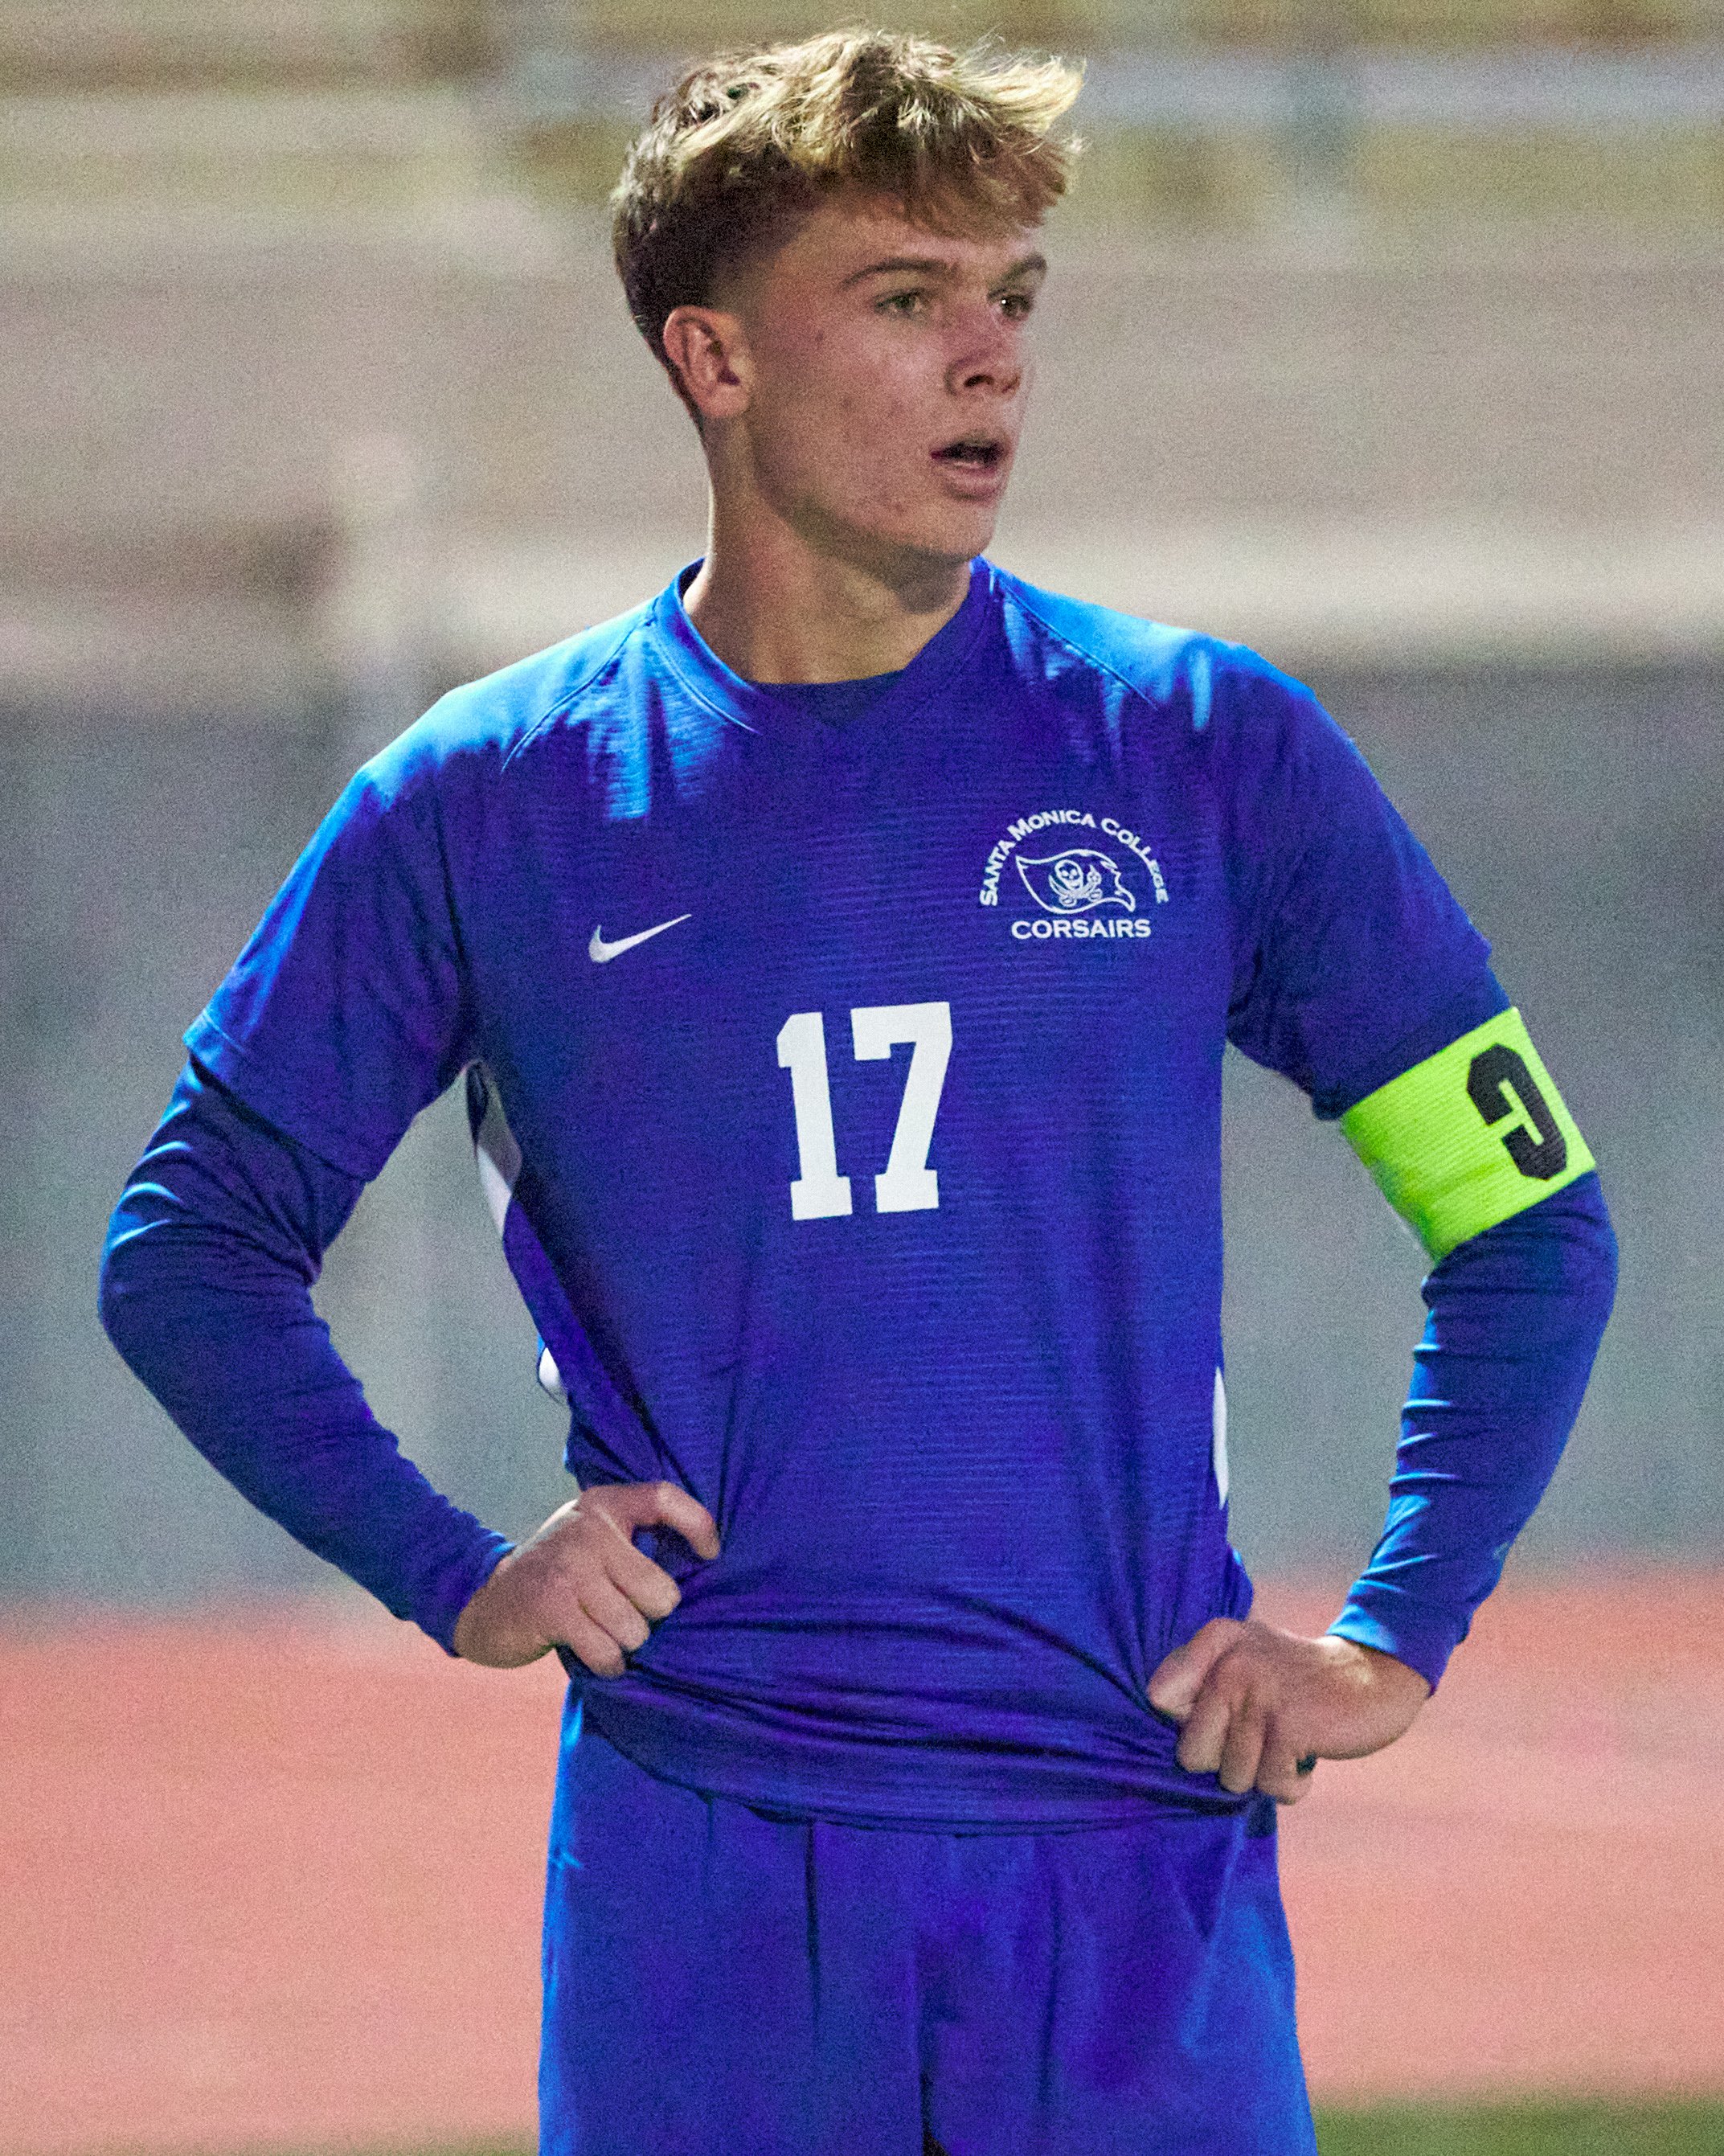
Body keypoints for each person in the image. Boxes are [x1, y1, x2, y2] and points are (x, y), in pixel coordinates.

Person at [100, 29, 1617, 2156]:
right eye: (907, 301)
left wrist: (1395, 1631)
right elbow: (190, 1247)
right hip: (701, 1867)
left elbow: (1526, 1214)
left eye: (1011, 301)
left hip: (1132, 1845)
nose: (988, 360)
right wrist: (450, 1565)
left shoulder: (1201, 752)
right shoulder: (485, 804)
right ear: (714, 359)